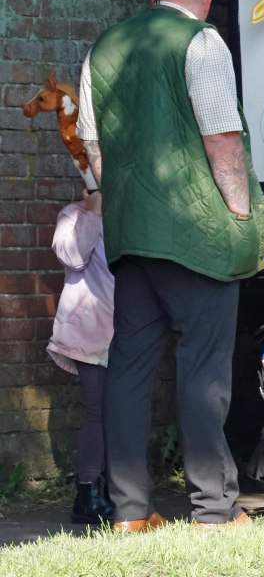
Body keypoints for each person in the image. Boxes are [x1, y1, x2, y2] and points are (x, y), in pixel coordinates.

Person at [76, 0, 264, 532]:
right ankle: (214, 508)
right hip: (196, 235)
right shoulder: (203, 43)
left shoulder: (104, 47)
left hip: (132, 237)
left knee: (129, 369)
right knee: (203, 370)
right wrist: (239, 215)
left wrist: (123, 205)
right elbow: (222, 138)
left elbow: (91, 144)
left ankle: (131, 510)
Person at [48, 189, 115, 526]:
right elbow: (72, 256)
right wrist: (93, 212)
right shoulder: (72, 215)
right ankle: (87, 495)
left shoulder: (133, 212)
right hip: (91, 328)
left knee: (124, 410)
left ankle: (118, 488)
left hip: (128, 328)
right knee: (98, 410)